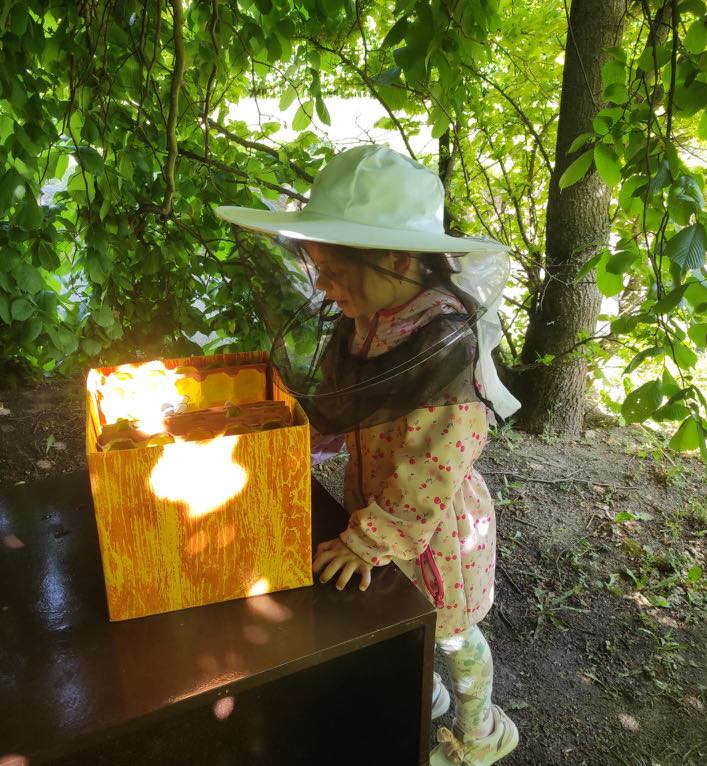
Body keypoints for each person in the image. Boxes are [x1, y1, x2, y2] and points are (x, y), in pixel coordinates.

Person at [216, 144, 521, 766]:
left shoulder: (443, 340)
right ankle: (427, 698)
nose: (325, 288)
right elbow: (350, 407)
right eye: (319, 269)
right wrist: (287, 442)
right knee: (399, 621)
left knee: (454, 632)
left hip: (431, 529)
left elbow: (436, 464)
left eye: (334, 271)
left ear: (398, 259)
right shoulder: (375, 312)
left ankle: (482, 732)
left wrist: (369, 538)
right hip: (376, 504)